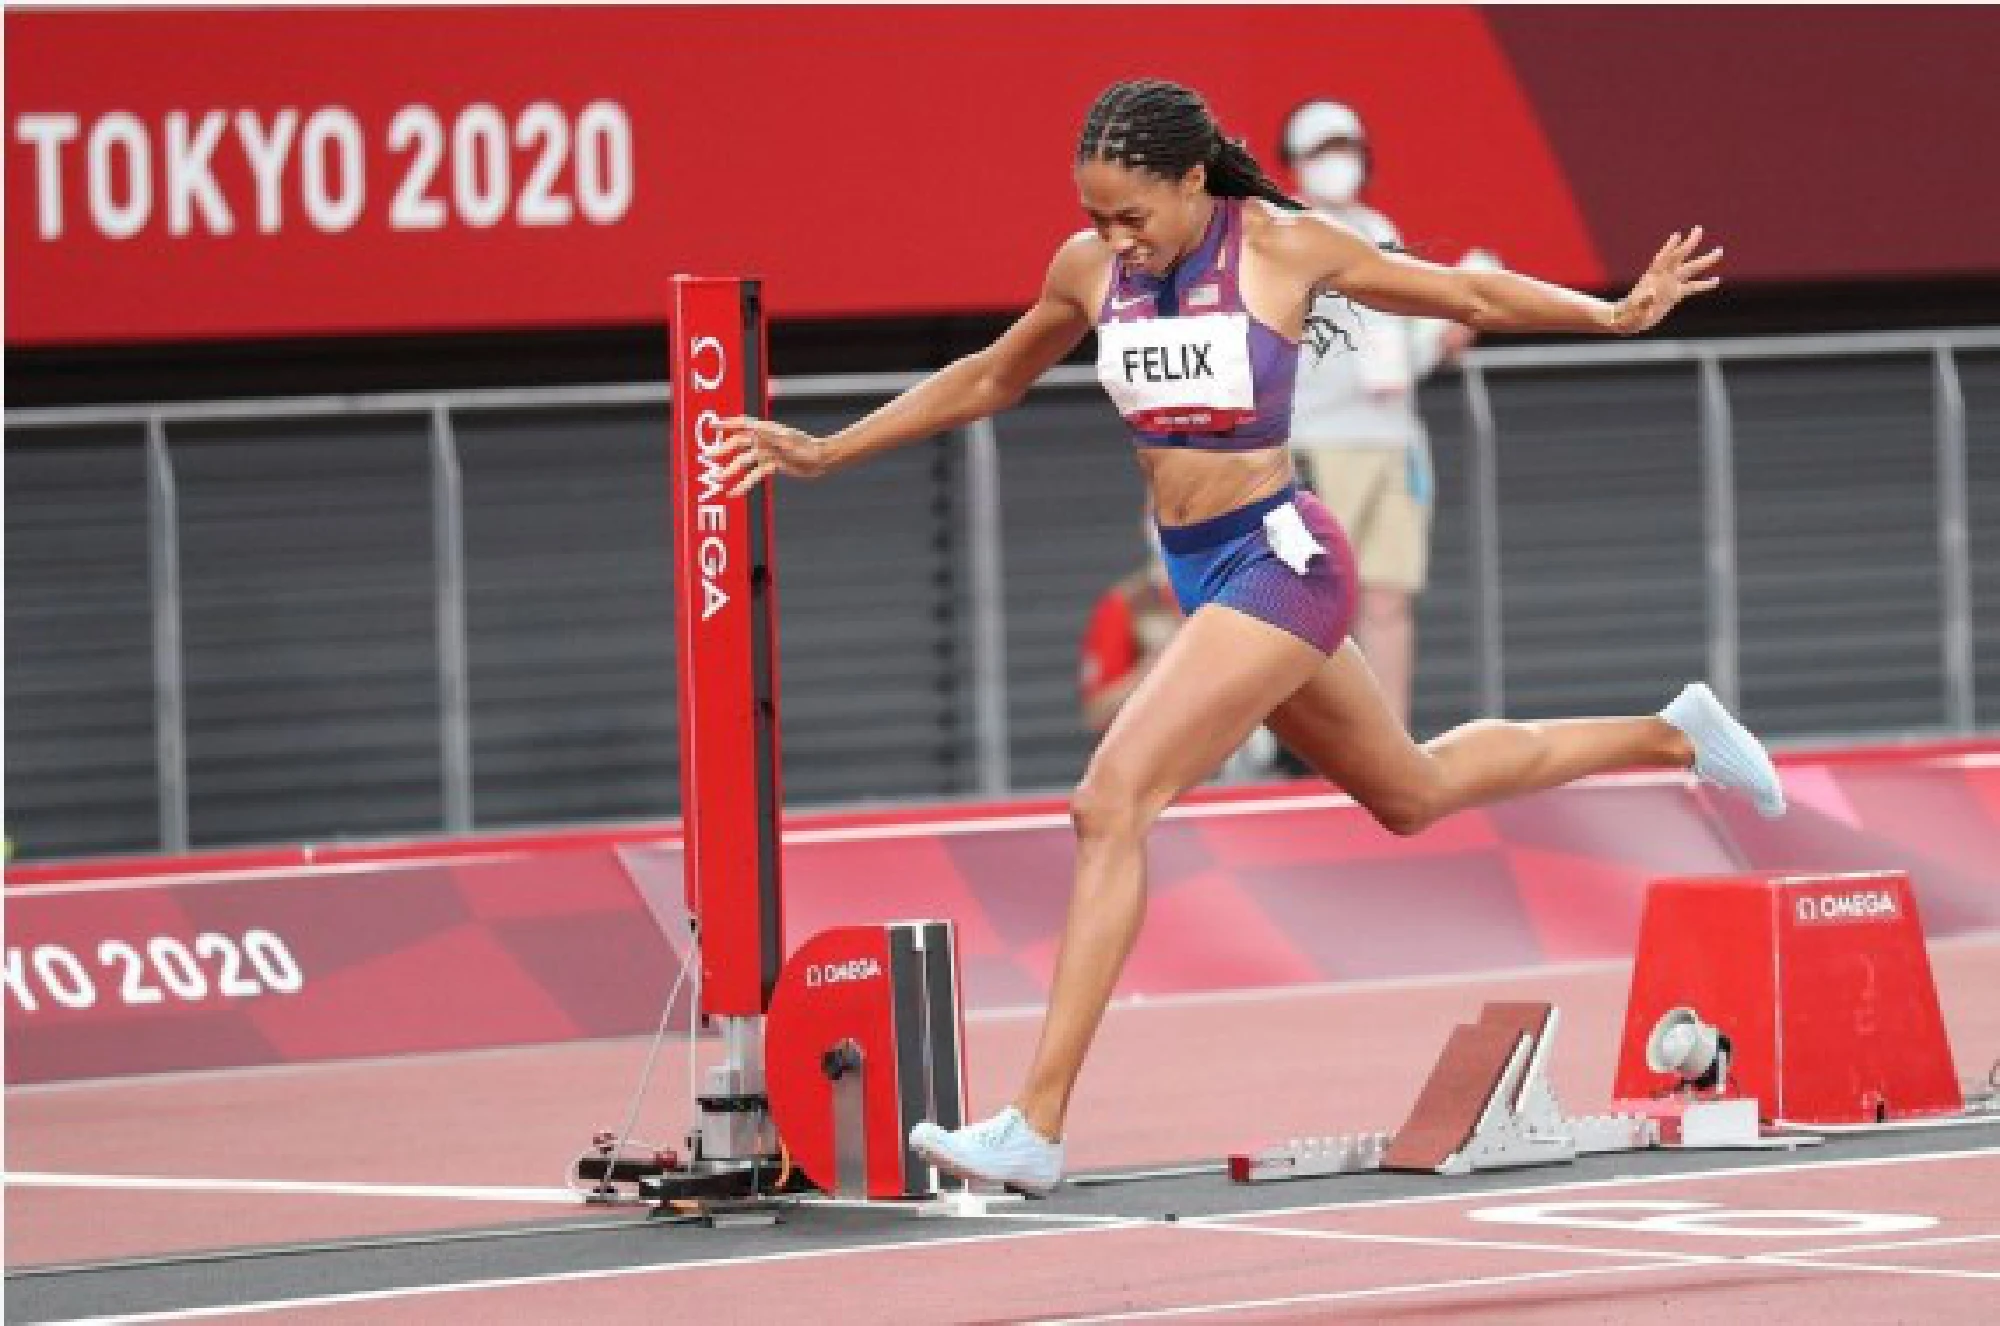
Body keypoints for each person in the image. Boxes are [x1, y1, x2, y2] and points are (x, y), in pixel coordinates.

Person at [716, 78, 1781, 1196]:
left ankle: (1036, 1123)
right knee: (1410, 791)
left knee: (1109, 802)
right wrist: (829, 450)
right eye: (1095, 217)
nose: (1114, 239)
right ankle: (1675, 735)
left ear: (1191, 181)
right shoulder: (1088, 270)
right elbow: (991, 374)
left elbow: (1462, 290)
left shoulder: (1282, 247)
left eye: (1132, 215)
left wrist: (1609, 314)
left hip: (1282, 560)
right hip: (1202, 572)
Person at [1280, 98, 1491, 731]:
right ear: (1296, 163)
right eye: (1323, 151)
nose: (1338, 162)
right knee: (1310, 601)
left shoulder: (1379, 228)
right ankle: (1302, 742)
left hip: (1393, 440)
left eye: (1346, 148)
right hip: (1317, 440)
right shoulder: (1284, 233)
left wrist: (1443, 335)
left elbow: (1395, 342)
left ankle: (1388, 739)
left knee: (1388, 599)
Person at [1080, 517, 1277, 780]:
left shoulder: (1241, 590)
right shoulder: (1128, 604)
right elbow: (1097, 711)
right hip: (1159, 773)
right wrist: (1153, 671)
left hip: (1247, 765)